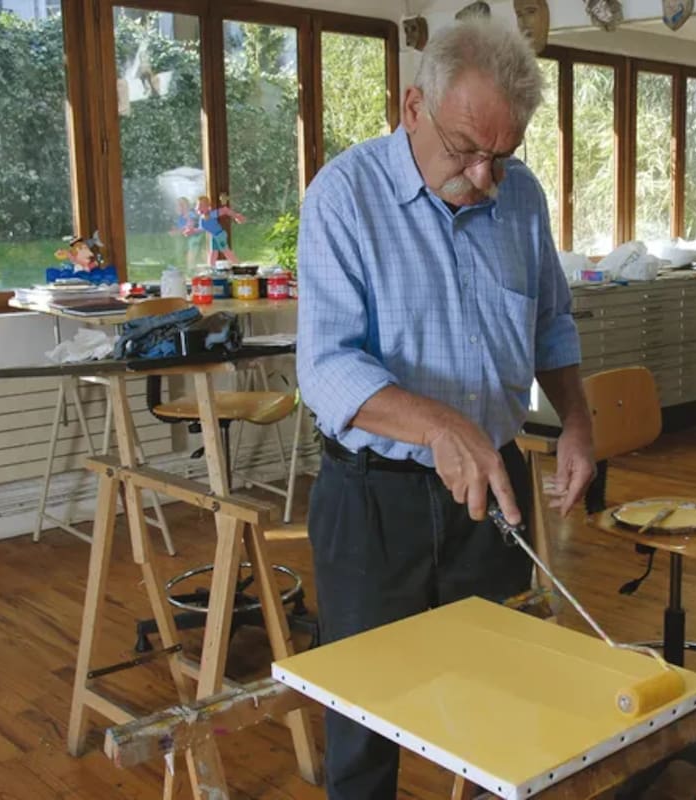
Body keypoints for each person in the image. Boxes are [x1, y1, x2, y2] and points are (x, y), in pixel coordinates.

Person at [296, 18, 595, 800]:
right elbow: (326, 367)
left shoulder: (520, 198)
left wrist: (577, 423)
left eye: (504, 154)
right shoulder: (344, 198)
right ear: (412, 107)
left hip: (488, 498)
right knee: (364, 729)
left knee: (509, 710)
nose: (485, 175)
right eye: (465, 148)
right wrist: (441, 424)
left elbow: (551, 323)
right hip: (373, 502)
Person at [192, 194, 245, 266]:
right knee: (213, 253)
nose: (199, 207)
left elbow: (225, 210)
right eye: (199, 205)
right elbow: (201, 229)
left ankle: (238, 265)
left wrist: (236, 216)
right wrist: (192, 231)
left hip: (220, 235)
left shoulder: (212, 214)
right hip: (214, 237)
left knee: (226, 251)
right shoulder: (201, 219)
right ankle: (211, 268)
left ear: (208, 207)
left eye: (203, 205)